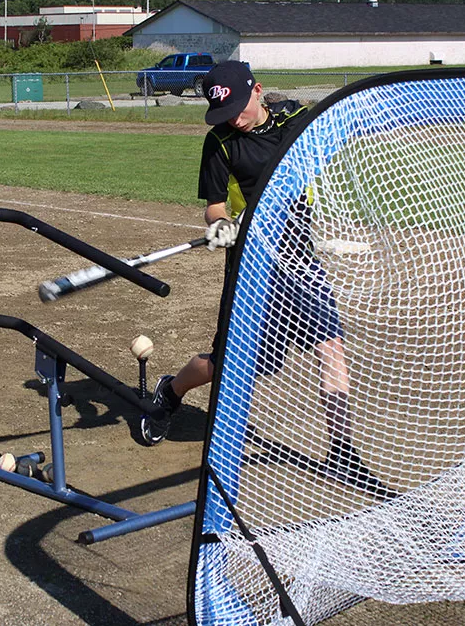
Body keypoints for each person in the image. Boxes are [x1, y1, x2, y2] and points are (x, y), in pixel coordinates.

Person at [139, 60, 395, 499]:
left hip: (300, 256)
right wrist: (220, 225)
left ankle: (341, 449)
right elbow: (214, 206)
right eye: (224, 113)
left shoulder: (299, 121)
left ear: (257, 91)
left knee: (331, 346)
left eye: (238, 107)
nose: (234, 118)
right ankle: (171, 391)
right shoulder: (220, 142)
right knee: (233, 367)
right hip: (254, 262)